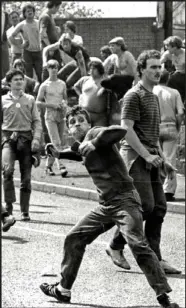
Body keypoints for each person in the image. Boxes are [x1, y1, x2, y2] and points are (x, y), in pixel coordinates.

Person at [40, 106, 179, 308]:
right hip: (106, 206)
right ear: (68, 131)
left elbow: (120, 131)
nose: (77, 124)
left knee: (137, 244)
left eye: (81, 120)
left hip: (125, 202)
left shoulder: (96, 134)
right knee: (74, 238)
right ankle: (63, 290)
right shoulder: (83, 146)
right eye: (72, 123)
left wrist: (94, 141)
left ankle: (164, 297)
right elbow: (78, 153)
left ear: (89, 123)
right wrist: (59, 154)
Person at [106, 50, 181, 275]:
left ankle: (156, 258)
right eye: (153, 67)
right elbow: (126, 130)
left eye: (160, 67)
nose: (158, 71)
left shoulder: (154, 96)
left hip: (151, 157)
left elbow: (152, 133)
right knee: (144, 206)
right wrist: (147, 156)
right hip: (134, 157)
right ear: (141, 70)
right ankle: (115, 245)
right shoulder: (133, 95)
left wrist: (163, 160)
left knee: (159, 208)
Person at [1, 69, 42, 221]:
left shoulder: (30, 99)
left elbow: (37, 121)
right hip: (7, 139)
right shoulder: (3, 100)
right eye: (16, 79)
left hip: (26, 139)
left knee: (26, 177)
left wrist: (37, 139)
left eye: (21, 79)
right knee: (7, 171)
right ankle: (8, 208)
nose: (19, 81)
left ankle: (25, 210)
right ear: (9, 83)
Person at [153, 70, 185, 202]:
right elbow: (180, 113)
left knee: (154, 157)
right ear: (168, 79)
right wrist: (177, 126)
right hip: (170, 125)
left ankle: (154, 187)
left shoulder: (151, 90)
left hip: (154, 126)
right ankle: (168, 191)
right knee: (170, 158)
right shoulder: (174, 92)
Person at [36, 60, 68, 177]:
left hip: (61, 115)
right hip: (50, 116)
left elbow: (65, 98)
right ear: (47, 69)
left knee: (58, 144)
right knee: (56, 142)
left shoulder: (62, 83)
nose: (54, 69)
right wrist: (51, 105)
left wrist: (64, 104)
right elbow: (38, 102)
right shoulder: (44, 85)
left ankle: (48, 166)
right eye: (51, 67)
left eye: (56, 67)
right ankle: (62, 166)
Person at [74, 61, 118, 127]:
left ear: (99, 70)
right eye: (91, 68)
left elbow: (114, 92)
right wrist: (80, 95)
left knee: (100, 134)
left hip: (100, 116)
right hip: (84, 114)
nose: (91, 70)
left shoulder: (105, 81)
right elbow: (76, 86)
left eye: (94, 69)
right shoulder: (85, 79)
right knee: (84, 135)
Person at [9, 3, 42, 83]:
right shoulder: (22, 24)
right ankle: (29, 92)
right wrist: (21, 46)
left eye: (31, 10)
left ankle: (41, 91)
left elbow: (46, 33)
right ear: (24, 13)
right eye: (27, 11)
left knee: (40, 73)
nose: (30, 12)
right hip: (27, 53)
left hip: (38, 52)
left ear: (34, 12)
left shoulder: (39, 23)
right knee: (28, 74)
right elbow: (11, 37)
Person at [39, 0, 62, 82]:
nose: (58, 9)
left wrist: (55, 29)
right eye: (58, 7)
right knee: (47, 68)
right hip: (49, 47)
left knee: (57, 66)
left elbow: (48, 30)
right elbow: (42, 33)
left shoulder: (50, 16)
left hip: (53, 46)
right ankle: (45, 87)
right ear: (54, 6)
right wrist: (50, 47)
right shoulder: (45, 16)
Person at [161, 36, 185, 103]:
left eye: (168, 46)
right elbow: (159, 62)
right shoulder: (168, 54)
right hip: (177, 75)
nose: (166, 48)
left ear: (174, 47)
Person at [1, 8, 10, 78]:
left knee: (5, 65)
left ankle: (4, 84)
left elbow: (7, 27)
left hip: (3, 41)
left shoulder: (5, 14)